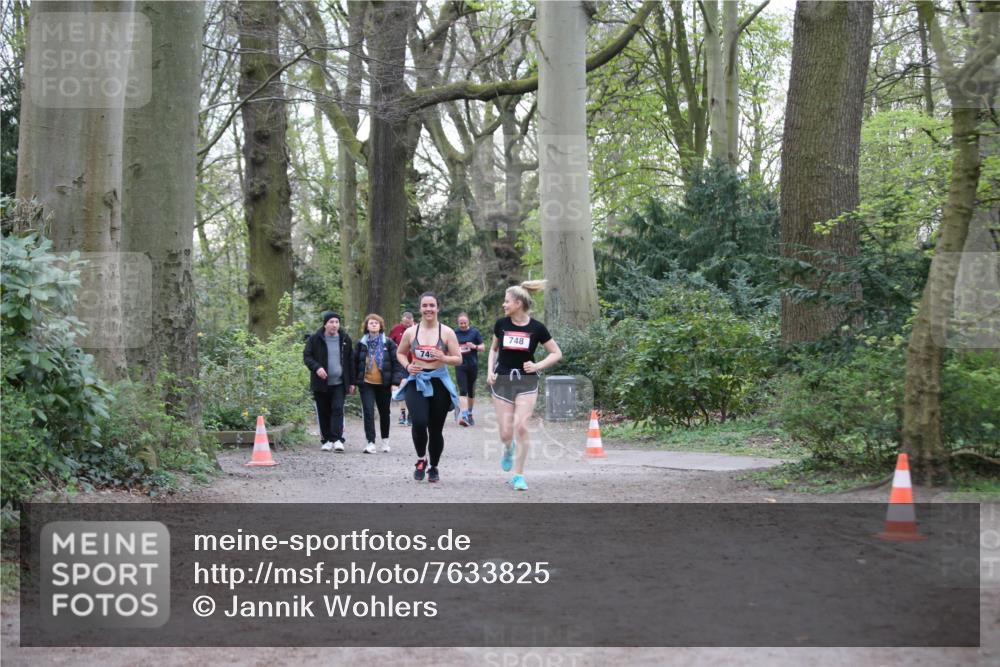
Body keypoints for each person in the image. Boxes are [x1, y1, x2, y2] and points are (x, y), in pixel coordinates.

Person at [487, 281, 562, 491]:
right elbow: (493, 350)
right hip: (502, 380)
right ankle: (508, 448)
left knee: (521, 426)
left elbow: (556, 353)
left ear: (518, 303)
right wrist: (489, 371)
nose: (504, 305)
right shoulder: (501, 324)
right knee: (505, 433)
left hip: (526, 382)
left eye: (507, 301)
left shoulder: (537, 328)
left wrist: (537, 365)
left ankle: (519, 475)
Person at [395, 293, 463, 483]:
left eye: (432, 305)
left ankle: (434, 466)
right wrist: (408, 366)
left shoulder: (447, 332)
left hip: (439, 382)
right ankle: (420, 459)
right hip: (417, 381)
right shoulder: (411, 332)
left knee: (435, 429)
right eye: (425, 305)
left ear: (438, 308)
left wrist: (443, 358)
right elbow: (400, 353)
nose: (428, 309)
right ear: (420, 309)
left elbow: (458, 359)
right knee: (418, 421)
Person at [303, 311, 355, 452]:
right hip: (321, 383)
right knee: (323, 412)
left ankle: (337, 439)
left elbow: (351, 361)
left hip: (339, 382)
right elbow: (307, 357)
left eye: (337, 322)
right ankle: (326, 440)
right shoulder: (315, 339)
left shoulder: (345, 339)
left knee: (337, 409)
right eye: (331, 322)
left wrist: (352, 382)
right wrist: (317, 367)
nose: (334, 325)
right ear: (325, 324)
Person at [354, 314, 405, 454]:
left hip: (384, 383)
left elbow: (397, 363)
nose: (374, 325)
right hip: (366, 383)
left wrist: (395, 381)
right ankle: (370, 442)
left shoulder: (388, 343)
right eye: (371, 323)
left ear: (381, 325)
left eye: (376, 323)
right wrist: (353, 382)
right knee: (368, 412)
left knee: (384, 413)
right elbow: (354, 363)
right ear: (366, 326)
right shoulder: (361, 344)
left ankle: (385, 440)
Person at [454, 312, 484, 427]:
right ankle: (464, 415)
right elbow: (448, 347)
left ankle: (470, 413)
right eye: (460, 323)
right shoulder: (454, 333)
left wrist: (475, 346)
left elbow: (483, 347)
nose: (462, 325)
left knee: (471, 392)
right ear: (458, 323)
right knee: (463, 390)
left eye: (464, 323)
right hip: (460, 365)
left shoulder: (474, 332)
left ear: (468, 322)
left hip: (472, 365)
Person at [389, 311, 414, 426]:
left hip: (415, 363)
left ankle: (411, 414)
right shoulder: (396, 329)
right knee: (403, 385)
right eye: (405, 324)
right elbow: (389, 344)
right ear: (401, 321)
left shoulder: (417, 329)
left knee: (413, 388)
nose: (407, 326)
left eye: (409, 324)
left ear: (413, 321)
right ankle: (403, 413)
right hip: (401, 363)